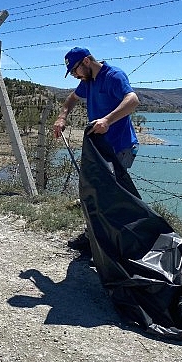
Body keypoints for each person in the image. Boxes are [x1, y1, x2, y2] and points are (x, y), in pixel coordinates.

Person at [53, 47, 140, 252]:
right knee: (95, 191)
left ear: (86, 62)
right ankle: (95, 237)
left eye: (75, 70)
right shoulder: (88, 82)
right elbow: (72, 98)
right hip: (99, 146)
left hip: (120, 146)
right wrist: (62, 116)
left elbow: (133, 100)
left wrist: (107, 120)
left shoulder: (113, 76)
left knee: (108, 194)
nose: (75, 76)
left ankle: (109, 242)